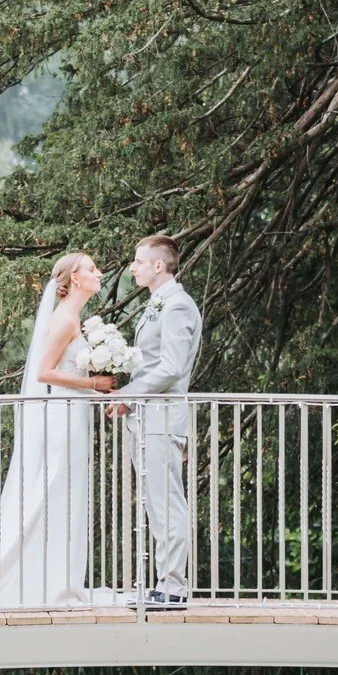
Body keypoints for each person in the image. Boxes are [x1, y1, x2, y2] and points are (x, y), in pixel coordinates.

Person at [0, 252, 117, 609]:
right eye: (91, 269)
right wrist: (92, 383)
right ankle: (38, 579)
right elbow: (44, 372)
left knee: (66, 496)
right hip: (64, 413)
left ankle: (59, 579)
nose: (98, 273)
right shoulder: (64, 320)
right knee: (53, 493)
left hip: (74, 413)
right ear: (74, 278)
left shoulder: (76, 317)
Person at [115, 234, 202, 607]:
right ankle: (165, 584)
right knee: (156, 503)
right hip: (148, 418)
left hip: (163, 419)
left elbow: (170, 367)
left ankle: (174, 588)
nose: (132, 267)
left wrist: (127, 395)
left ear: (158, 265)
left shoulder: (177, 305)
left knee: (167, 503)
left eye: (137, 261)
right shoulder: (160, 304)